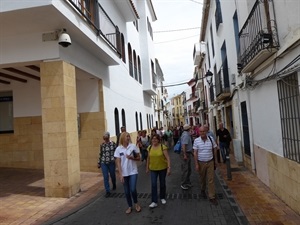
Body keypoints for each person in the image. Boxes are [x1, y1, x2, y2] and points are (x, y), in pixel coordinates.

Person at [114, 132, 142, 214]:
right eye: (127, 136)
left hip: (133, 171)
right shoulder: (118, 149)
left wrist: (132, 158)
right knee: (126, 191)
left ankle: (136, 203)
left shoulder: (133, 147)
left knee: (132, 189)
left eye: (129, 136)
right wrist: (120, 174)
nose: (128, 137)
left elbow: (139, 158)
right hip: (124, 173)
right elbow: (118, 162)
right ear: (122, 138)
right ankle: (130, 206)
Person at [193, 126, 218, 205]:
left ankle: (212, 196)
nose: (202, 133)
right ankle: (203, 189)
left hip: (210, 161)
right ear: (199, 132)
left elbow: (214, 150)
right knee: (202, 178)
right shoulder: (196, 141)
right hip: (201, 162)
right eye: (201, 131)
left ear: (206, 132)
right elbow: (195, 153)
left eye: (204, 131)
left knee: (211, 179)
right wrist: (196, 164)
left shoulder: (211, 139)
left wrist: (215, 161)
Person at [146, 134, 171, 208]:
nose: (154, 140)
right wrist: (147, 168)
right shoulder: (149, 147)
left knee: (162, 183)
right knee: (153, 184)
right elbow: (148, 158)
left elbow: (167, 158)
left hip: (162, 168)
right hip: (153, 168)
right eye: (153, 139)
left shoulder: (162, 147)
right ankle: (154, 201)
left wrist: (169, 167)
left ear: (158, 140)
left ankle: (162, 197)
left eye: (156, 139)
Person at [98, 131, 117, 198]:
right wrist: (99, 162)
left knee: (112, 175)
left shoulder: (113, 144)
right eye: (104, 137)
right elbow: (100, 154)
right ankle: (107, 191)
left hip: (111, 162)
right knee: (105, 177)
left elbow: (116, 152)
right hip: (104, 163)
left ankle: (114, 184)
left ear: (108, 137)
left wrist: (115, 159)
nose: (105, 138)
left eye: (106, 137)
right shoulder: (102, 145)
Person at [180, 124, 193, 190]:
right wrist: (185, 154)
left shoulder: (186, 134)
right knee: (185, 169)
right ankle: (183, 183)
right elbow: (184, 145)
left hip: (188, 153)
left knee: (188, 169)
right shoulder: (185, 135)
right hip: (186, 154)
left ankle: (187, 182)